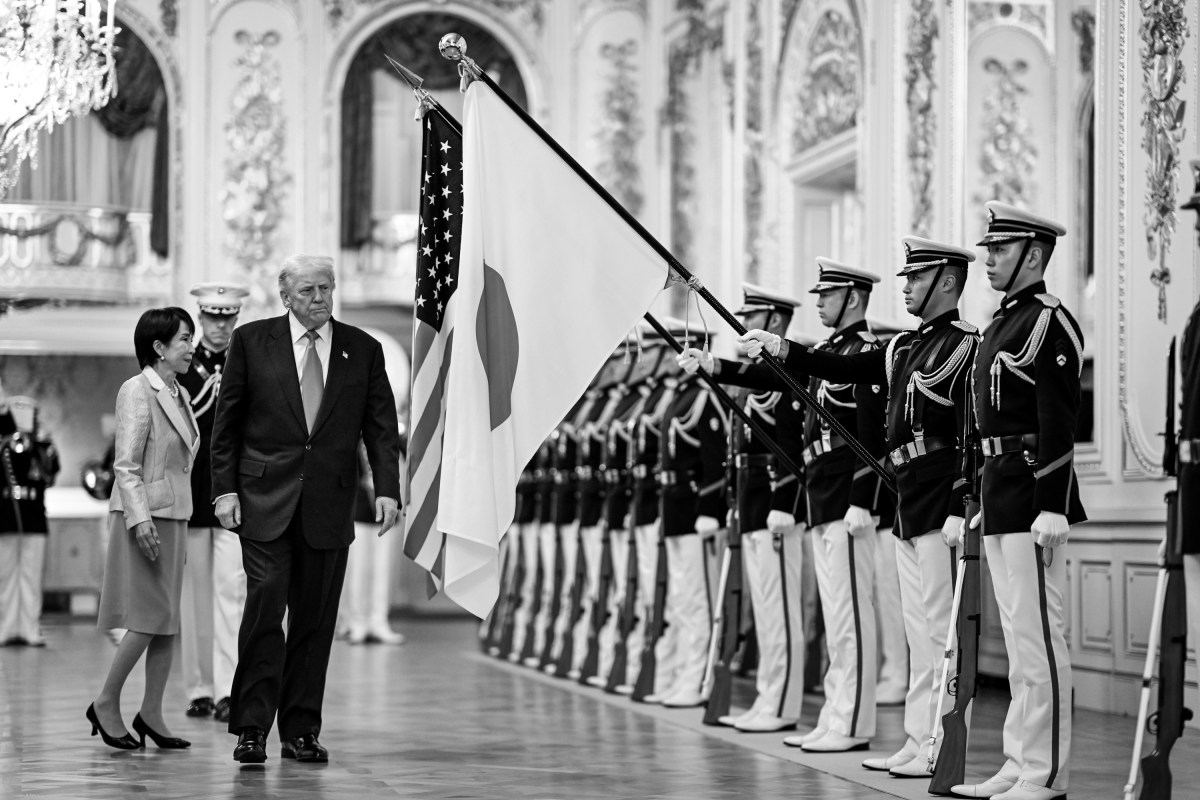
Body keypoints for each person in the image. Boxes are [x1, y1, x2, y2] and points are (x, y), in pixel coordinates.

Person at [737, 237, 981, 776]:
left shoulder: (966, 344)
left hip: (940, 491)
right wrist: (782, 351)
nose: (907, 287)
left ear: (946, 281)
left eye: (916, 278)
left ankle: (941, 742)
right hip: (908, 492)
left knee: (939, 629)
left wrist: (965, 499)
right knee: (919, 630)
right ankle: (919, 738)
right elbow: (840, 368)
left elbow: (971, 427)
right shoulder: (902, 350)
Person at [211, 254, 401, 765]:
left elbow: (381, 428)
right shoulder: (252, 342)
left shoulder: (364, 349)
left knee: (315, 622)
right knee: (265, 608)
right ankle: (251, 727)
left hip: (330, 505)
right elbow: (226, 426)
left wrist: (387, 488)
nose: (319, 299)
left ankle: (300, 731)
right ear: (286, 297)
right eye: (308, 291)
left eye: (326, 288)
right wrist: (224, 491)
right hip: (263, 501)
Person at [950, 203, 1084, 800]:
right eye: (987, 248)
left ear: (1032, 252)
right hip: (1001, 493)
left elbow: (1059, 421)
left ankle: (1045, 771)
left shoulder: (1049, 324)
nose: (988, 259)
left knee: (1040, 643)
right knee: (1018, 641)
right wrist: (977, 493)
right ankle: (1017, 761)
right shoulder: (1003, 322)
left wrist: (1051, 502)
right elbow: (984, 426)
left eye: (999, 249)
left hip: (1033, 496)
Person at [728, 259, 888, 752]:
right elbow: (777, 383)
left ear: (853, 298)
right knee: (837, 617)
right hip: (821, 490)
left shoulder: (864, 353)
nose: (816, 301)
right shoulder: (825, 352)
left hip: (845, 494)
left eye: (827, 294)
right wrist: (716, 367)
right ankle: (836, 713)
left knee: (851, 615)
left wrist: (864, 497)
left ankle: (853, 722)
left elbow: (871, 432)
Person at [676, 285, 807, 731]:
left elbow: (792, 442)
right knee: (765, 609)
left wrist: (784, 500)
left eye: (752, 315)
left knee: (780, 607)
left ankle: (782, 703)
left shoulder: (789, 374)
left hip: (775, 500)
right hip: (750, 499)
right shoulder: (756, 380)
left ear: (773, 321)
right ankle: (769, 697)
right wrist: (713, 365)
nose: (743, 323)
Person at [89, 307, 199, 751]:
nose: (191, 347)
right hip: (146, 518)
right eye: (184, 339)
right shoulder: (136, 390)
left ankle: (151, 711)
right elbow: (125, 465)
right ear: (159, 347)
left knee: (167, 620)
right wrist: (140, 520)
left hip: (175, 515)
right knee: (148, 618)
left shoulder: (181, 394)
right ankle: (106, 701)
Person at [177, 281, 250, 723]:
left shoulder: (247, 361)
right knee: (193, 593)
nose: (219, 326)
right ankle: (198, 687)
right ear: (200, 318)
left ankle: (227, 688)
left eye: (227, 317)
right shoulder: (184, 367)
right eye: (211, 317)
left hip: (233, 492)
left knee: (230, 590)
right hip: (191, 489)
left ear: (235, 319)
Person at [0, 392, 60, 647]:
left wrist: (41, 442)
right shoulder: (3, 442)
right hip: (6, 514)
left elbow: (51, 472)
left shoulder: (42, 443)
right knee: (5, 575)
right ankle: (6, 628)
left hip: (34, 516)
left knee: (32, 576)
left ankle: (30, 628)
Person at [341, 439, 405, 645]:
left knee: (384, 569)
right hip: (357, 507)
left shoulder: (387, 430)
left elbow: (403, 452)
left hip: (386, 508)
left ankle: (379, 620)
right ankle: (356, 622)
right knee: (357, 569)